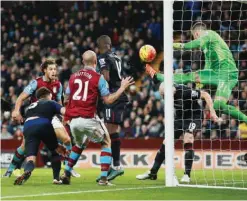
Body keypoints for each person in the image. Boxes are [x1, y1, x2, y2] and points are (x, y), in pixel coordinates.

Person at [146, 22, 247, 123]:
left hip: (228, 73)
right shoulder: (206, 47)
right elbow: (208, 65)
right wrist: (202, 81)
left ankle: (245, 119)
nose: (194, 39)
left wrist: (175, 45)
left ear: (197, 33)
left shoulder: (210, 34)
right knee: (217, 105)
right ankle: (157, 76)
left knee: (216, 103)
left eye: (194, 36)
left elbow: (196, 43)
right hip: (216, 73)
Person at [60, 50, 134, 186]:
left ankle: (66, 172)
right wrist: (122, 88)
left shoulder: (72, 77)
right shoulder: (98, 78)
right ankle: (104, 178)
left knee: (80, 144)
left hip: (74, 121)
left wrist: (69, 114)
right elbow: (108, 100)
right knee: (106, 141)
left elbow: (65, 99)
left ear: (83, 62)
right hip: (88, 118)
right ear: (95, 63)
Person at [3, 59, 72, 184]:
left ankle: (68, 168)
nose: (54, 71)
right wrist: (16, 111)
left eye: (55, 69)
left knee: (66, 139)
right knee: (24, 147)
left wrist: (63, 120)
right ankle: (12, 168)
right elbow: (21, 98)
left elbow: (59, 104)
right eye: (51, 69)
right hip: (35, 114)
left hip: (51, 116)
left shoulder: (58, 85)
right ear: (44, 70)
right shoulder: (36, 83)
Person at [136, 81, 218, 183]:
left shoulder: (185, 91)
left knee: (188, 138)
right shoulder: (167, 94)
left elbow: (205, 94)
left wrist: (212, 112)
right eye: (162, 95)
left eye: (164, 95)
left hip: (194, 116)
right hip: (180, 118)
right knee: (166, 142)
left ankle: (187, 175)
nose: (163, 98)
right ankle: (153, 172)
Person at [14, 87, 68, 185]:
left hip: (28, 127)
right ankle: (56, 178)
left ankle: (27, 171)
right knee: (55, 150)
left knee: (30, 158)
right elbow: (65, 111)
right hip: (43, 124)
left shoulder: (31, 106)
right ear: (49, 95)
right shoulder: (50, 102)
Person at [96, 35, 129, 181]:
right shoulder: (116, 56)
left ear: (101, 46)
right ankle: (112, 166)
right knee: (111, 131)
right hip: (118, 94)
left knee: (110, 132)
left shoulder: (103, 57)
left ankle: (115, 166)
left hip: (113, 96)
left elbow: (106, 77)